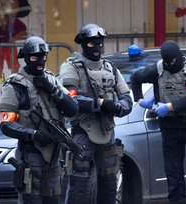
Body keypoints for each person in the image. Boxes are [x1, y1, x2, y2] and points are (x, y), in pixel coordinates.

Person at [130, 40, 186, 204]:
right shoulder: (158, 69)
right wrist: (140, 100)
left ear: (179, 57)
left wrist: (169, 107)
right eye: (167, 62)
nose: (170, 65)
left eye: (172, 61)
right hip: (170, 131)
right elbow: (135, 78)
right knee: (174, 179)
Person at [57, 23, 133, 204]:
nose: (97, 47)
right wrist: (99, 103)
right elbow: (69, 99)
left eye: (99, 42)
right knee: (79, 183)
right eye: (92, 43)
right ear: (83, 43)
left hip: (107, 132)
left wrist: (117, 107)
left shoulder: (110, 68)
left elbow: (126, 98)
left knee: (108, 183)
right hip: (83, 131)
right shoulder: (72, 66)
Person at [0, 36, 79, 204]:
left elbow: (73, 109)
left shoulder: (51, 80)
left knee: (53, 200)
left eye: (43, 56)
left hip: (53, 156)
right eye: (35, 57)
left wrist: (53, 90)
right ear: (26, 58)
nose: (40, 61)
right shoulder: (15, 86)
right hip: (30, 155)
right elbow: (6, 125)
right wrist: (34, 134)